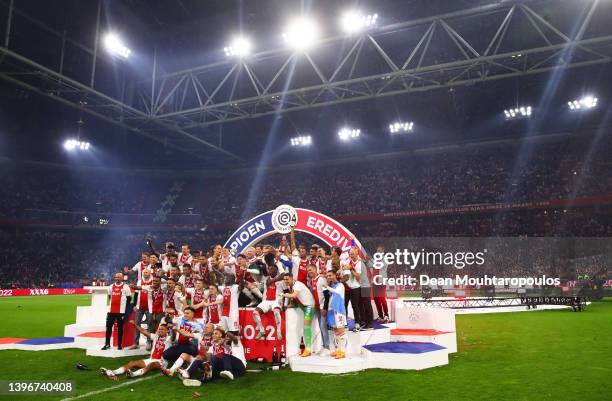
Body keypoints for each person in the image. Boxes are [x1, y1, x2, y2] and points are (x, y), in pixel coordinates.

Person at [100, 321, 172, 379]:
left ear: (167, 331)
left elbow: (174, 335)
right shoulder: (156, 337)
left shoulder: (169, 339)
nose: (160, 330)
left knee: (151, 364)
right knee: (132, 363)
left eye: (162, 329)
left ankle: (133, 374)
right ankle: (113, 372)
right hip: (151, 359)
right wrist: (135, 325)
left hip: (161, 362)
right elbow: (143, 331)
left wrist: (173, 329)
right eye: (159, 329)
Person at [162, 306, 203, 375]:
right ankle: (184, 360)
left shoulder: (198, 325)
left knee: (189, 348)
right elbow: (168, 320)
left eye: (187, 313)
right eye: (185, 313)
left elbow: (201, 337)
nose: (185, 315)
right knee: (165, 354)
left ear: (193, 314)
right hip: (180, 345)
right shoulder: (180, 319)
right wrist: (169, 315)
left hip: (191, 346)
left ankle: (183, 361)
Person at [281, 273, 315, 357]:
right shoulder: (292, 285)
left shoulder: (297, 285)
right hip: (303, 306)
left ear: (292, 278)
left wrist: (283, 295)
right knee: (303, 328)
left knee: (306, 328)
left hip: (309, 306)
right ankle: (305, 348)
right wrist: (291, 305)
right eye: (284, 279)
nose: (285, 281)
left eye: (287, 279)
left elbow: (294, 295)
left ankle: (308, 350)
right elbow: (295, 297)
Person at [253, 261, 283, 340]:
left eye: (272, 269)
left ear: (276, 270)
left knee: (276, 312)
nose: (270, 271)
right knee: (255, 313)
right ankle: (262, 330)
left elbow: (283, 275)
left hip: (276, 301)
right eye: (269, 269)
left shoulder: (281, 279)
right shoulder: (266, 279)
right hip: (266, 301)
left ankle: (278, 330)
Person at [102, 272, 132, 350]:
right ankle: (107, 344)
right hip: (111, 312)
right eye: (116, 277)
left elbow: (129, 298)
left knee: (120, 328)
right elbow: (109, 296)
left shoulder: (126, 287)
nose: (117, 278)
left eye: (119, 277)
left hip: (121, 312)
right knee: (108, 328)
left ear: (122, 278)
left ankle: (119, 345)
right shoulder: (111, 286)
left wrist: (123, 306)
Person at [324, 270, 348, 359]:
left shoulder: (340, 285)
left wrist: (327, 287)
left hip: (339, 311)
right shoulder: (332, 286)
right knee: (335, 332)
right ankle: (338, 349)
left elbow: (337, 292)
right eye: (327, 276)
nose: (329, 277)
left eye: (330, 275)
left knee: (341, 331)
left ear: (335, 275)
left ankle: (342, 352)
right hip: (331, 311)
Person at [308, 264, 330, 354]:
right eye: (308, 271)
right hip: (317, 307)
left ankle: (327, 347)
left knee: (323, 327)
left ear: (315, 269)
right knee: (321, 328)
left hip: (322, 307)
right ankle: (324, 346)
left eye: (310, 270)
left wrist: (324, 308)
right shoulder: (313, 280)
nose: (309, 272)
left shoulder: (321, 279)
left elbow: (327, 294)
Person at [131, 268, 153, 350]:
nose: (145, 274)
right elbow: (136, 294)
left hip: (149, 307)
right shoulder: (139, 281)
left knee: (150, 325)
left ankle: (148, 342)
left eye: (147, 272)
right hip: (140, 307)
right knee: (136, 324)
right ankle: (136, 343)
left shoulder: (153, 281)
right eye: (144, 272)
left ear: (150, 273)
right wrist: (134, 304)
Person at [341, 248, 362, 332]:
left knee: (355, 306)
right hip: (346, 288)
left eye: (353, 254)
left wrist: (351, 269)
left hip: (355, 288)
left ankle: (357, 324)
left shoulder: (359, 264)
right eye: (350, 254)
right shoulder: (346, 262)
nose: (351, 255)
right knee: (344, 305)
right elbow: (342, 270)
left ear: (357, 254)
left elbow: (358, 277)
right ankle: (344, 323)